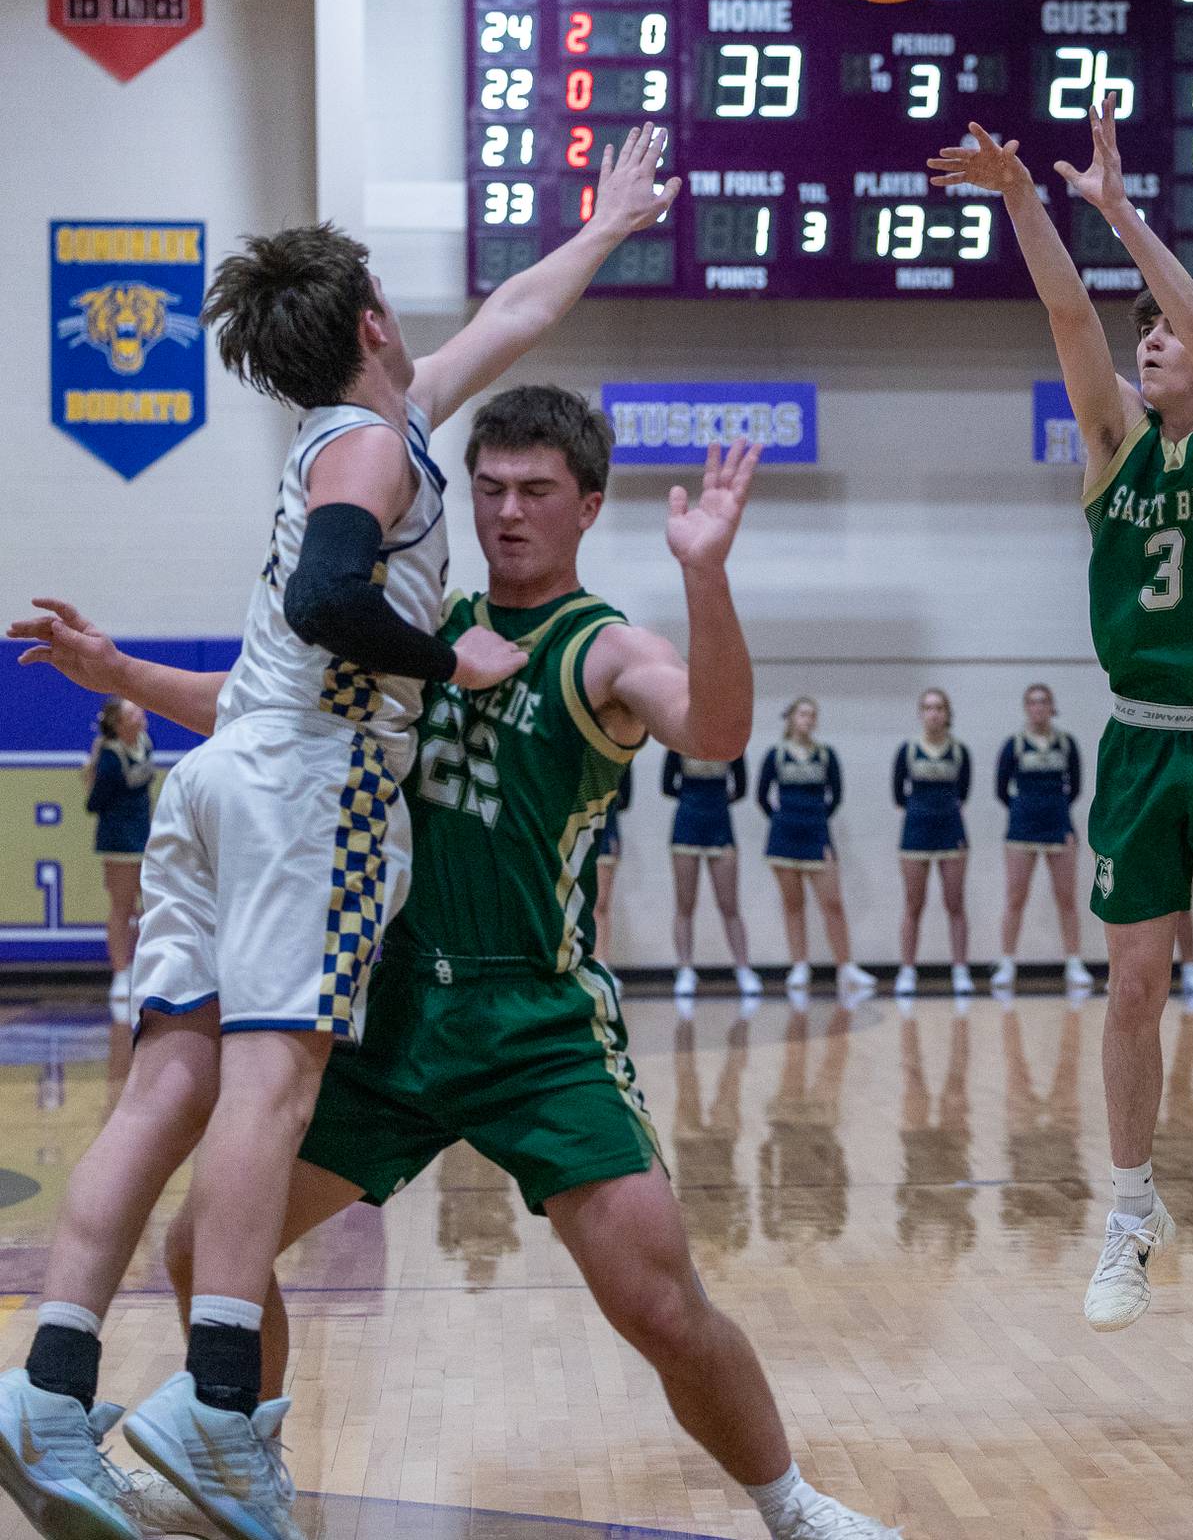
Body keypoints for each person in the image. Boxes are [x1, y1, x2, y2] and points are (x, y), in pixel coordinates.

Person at [41, 394, 897, 1540]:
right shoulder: (424, 628)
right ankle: (249, 1468)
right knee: (205, 1244)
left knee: (660, 1306)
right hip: (387, 1010)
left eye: (535, 491)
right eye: (488, 487)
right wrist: (121, 673)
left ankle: (792, 1508)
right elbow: (260, 709)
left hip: (533, 1023)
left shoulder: (604, 648)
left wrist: (705, 574)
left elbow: (717, 729)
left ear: (588, 505)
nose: (505, 511)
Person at [0, 130, 680, 1540]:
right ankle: (222, 1402)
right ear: (372, 321)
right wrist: (456, 662)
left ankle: (49, 1384)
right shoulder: (376, 448)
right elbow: (326, 602)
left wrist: (608, 225)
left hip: (222, 773)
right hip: (310, 794)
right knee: (274, 1083)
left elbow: (514, 314)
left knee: (165, 1089)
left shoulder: (363, 430)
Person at [931, 98, 1193, 1336]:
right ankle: (1133, 1213)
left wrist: (1124, 215)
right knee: (1133, 984)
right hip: (1142, 742)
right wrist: (1031, 205)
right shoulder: (1112, 448)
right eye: (1141, 333)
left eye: (1167, 336)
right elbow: (1063, 315)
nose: (1148, 345)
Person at [756, 699, 875, 997]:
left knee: (832, 902)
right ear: (791, 718)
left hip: (817, 833)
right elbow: (761, 796)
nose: (808, 720)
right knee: (793, 904)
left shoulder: (826, 755)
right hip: (783, 836)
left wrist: (815, 819)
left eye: (812, 715)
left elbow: (836, 796)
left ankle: (845, 965)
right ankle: (799, 965)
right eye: (803, 714)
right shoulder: (775, 754)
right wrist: (783, 819)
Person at [992, 685, 1092, 993]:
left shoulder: (1066, 744)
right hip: (1021, 829)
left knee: (1067, 898)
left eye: (1044, 702)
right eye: (1033, 703)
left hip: (1059, 826)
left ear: (1052, 707)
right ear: (1026, 708)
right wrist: (1025, 809)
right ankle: (1007, 962)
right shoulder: (1014, 745)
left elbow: (1074, 787)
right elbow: (1000, 789)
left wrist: (1053, 809)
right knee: (1015, 897)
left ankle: (1073, 962)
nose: (1038, 708)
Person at [892, 687, 974, 996]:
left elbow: (963, 791)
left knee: (955, 902)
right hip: (915, 831)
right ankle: (908, 970)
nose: (934, 712)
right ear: (920, 713)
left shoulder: (959, 751)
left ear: (947, 713)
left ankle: (960, 969)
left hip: (951, 829)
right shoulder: (908, 750)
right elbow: (898, 795)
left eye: (939, 707)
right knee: (914, 903)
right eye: (927, 707)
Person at [663, 749, 762, 999]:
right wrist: (692, 796)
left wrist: (714, 799)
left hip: (719, 821)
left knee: (729, 904)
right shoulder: (678, 743)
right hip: (687, 820)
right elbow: (666, 785)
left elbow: (741, 788)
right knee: (685, 903)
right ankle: (685, 969)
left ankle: (743, 968)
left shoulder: (731, 743)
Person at [83, 697, 155, 1012]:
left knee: (152, 908)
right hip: (118, 842)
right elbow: (93, 804)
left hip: (145, 838)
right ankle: (121, 974)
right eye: (133, 711)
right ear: (118, 723)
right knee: (122, 908)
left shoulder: (145, 743)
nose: (142, 712)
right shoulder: (111, 758)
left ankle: (148, 971)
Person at [592, 761, 632, 974]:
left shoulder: (621, 751)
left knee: (600, 903)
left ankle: (600, 963)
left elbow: (626, 798)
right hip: (573, 825)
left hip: (606, 826)